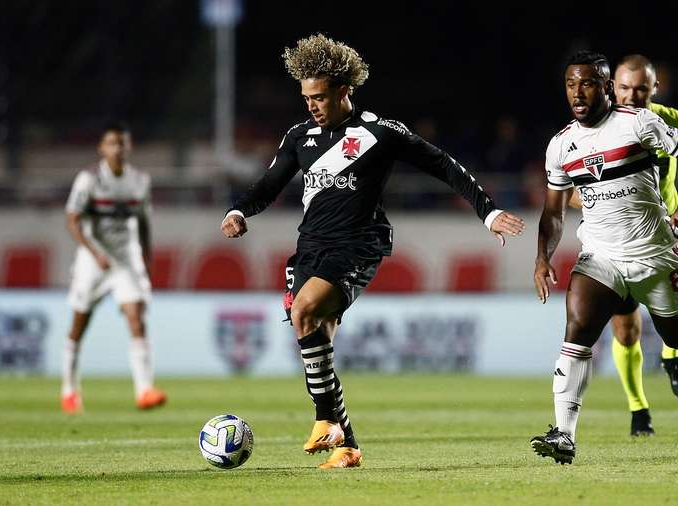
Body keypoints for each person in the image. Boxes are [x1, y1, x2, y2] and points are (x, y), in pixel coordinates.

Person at [220, 34, 524, 469]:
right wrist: (239, 211)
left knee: (305, 310)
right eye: (306, 97)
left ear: (344, 91)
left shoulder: (378, 132)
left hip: (359, 244)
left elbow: (442, 164)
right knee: (318, 345)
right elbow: (269, 185)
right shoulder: (299, 136)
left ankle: (326, 420)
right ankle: (347, 447)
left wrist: (488, 212)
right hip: (310, 248)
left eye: (319, 96)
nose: (311, 105)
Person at [529, 50, 678, 465]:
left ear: (605, 86)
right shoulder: (561, 145)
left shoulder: (637, 123)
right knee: (578, 330)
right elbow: (552, 211)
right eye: (570, 84)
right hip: (600, 256)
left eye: (586, 83)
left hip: (654, 253)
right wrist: (542, 257)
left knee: (676, 335)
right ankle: (564, 434)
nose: (577, 92)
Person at [569, 54, 678, 436]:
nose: (631, 96)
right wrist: (604, 197)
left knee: (674, 322)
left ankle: (671, 358)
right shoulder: (593, 126)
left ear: (655, 89)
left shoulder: (668, 121)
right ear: (610, 87)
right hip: (613, 244)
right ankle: (639, 409)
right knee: (626, 332)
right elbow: (565, 190)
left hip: (661, 234)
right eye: (624, 88)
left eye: (640, 89)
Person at [62, 122, 166, 414]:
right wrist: (94, 253)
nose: (117, 149)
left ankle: (144, 390)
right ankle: (69, 390)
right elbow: (72, 220)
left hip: (125, 260)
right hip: (92, 260)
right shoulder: (88, 180)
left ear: (128, 147)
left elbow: (144, 222)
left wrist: (146, 258)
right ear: (102, 148)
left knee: (136, 318)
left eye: (122, 144)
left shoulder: (139, 181)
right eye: (112, 144)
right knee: (79, 325)